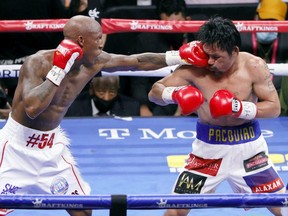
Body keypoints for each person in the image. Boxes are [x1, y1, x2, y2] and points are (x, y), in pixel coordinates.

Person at [0, 15, 201, 216]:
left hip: (51, 148)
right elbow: (33, 108)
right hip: (15, 149)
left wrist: (179, 57)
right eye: (97, 38)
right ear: (81, 40)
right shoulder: (37, 62)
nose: (101, 42)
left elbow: (137, 61)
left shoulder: (94, 61)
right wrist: (59, 69)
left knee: (83, 211)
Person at [148, 16, 286, 216]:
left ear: (235, 52)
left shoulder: (254, 66)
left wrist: (238, 108)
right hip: (207, 152)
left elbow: (274, 108)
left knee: (282, 207)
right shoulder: (195, 67)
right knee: (174, 212)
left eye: (217, 57)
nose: (210, 62)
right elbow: (154, 92)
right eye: (207, 54)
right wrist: (174, 95)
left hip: (249, 150)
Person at [130, 0, 191, 116]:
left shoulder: (197, 38)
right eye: (167, 26)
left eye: (177, 24)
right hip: (157, 100)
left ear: (187, 21)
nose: (173, 30)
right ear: (159, 23)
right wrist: (142, 106)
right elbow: (138, 81)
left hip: (193, 99)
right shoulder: (147, 41)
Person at [241, 0, 288, 96]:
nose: (269, 25)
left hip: (278, 98)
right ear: (256, 17)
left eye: (275, 21)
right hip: (246, 95)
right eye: (266, 20)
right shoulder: (241, 40)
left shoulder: (285, 41)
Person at [65, 76, 140, 117]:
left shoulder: (131, 108)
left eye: (112, 92)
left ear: (118, 90)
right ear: (91, 90)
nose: (106, 98)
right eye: (101, 92)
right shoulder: (72, 107)